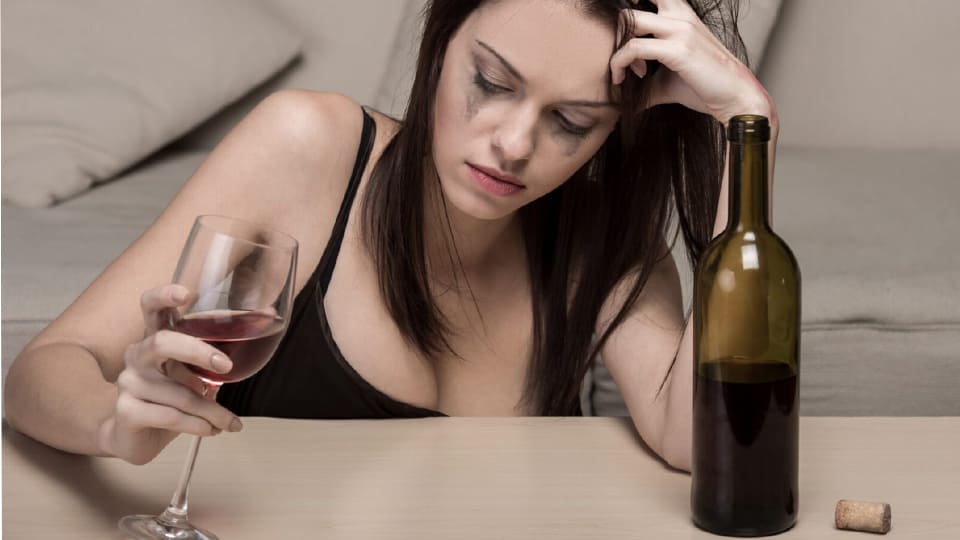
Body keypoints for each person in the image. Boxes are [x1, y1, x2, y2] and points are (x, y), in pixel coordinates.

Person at [3, 0, 778, 470]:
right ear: (441, 42)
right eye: (490, 82)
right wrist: (114, 425)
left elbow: (702, 445)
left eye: (572, 122)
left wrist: (750, 124)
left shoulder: (604, 244)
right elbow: (46, 367)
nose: (512, 144)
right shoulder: (307, 144)